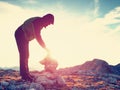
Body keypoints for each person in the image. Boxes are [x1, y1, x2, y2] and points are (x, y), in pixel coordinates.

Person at [15, 14, 54, 81]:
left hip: (24, 36)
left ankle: (26, 73)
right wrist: (46, 48)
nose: (48, 25)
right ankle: (24, 75)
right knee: (24, 54)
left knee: (26, 55)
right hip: (20, 34)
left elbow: (37, 35)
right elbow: (38, 36)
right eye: (49, 23)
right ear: (46, 19)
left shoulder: (40, 23)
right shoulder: (38, 22)